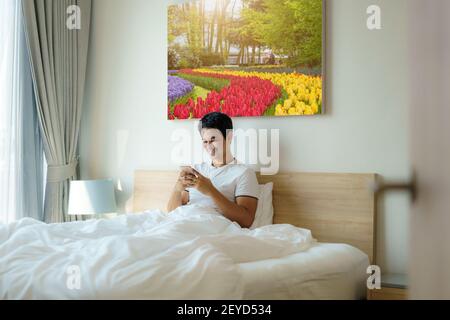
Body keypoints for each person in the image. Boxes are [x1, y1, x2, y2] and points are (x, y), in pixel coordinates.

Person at [167, 112, 259, 228]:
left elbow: (246, 220)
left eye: (213, 139)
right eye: (205, 141)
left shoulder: (244, 173)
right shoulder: (196, 170)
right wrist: (177, 188)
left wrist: (210, 190)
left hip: (211, 227)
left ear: (229, 137)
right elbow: (171, 213)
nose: (209, 146)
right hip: (184, 222)